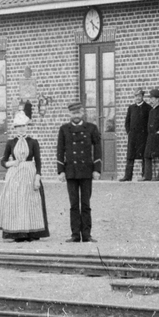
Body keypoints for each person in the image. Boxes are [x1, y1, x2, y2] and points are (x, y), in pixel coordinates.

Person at [0, 111, 49, 241]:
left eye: (23, 125)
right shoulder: (11, 142)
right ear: (15, 128)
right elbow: (3, 161)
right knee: (15, 201)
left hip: (29, 173)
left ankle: (31, 232)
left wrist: (37, 177)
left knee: (30, 201)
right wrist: (11, 163)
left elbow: (38, 161)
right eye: (18, 126)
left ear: (27, 126)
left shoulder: (33, 142)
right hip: (15, 175)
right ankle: (17, 233)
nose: (21, 128)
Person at [56, 100, 102, 242]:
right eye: (73, 113)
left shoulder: (91, 128)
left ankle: (87, 235)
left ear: (83, 113)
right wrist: (61, 171)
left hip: (86, 170)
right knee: (74, 204)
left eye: (78, 112)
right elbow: (60, 150)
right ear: (69, 114)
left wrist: (97, 169)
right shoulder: (64, 129)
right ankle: (75, 235)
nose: (76, 115)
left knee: (86, 204)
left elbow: (98, 149)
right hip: (71, 171)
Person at [120, 89, 149, 181]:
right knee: (130, 156)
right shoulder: (131, 108)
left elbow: (150, 122)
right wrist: (129, 132)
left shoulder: (147, 108)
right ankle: (128, 176)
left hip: (143, 136)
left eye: (139, 96)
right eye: (136, 96)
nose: (137, 98)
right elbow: (127, 122)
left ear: (142, 96)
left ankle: (144, 175)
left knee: (144, 155)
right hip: (133, 136)